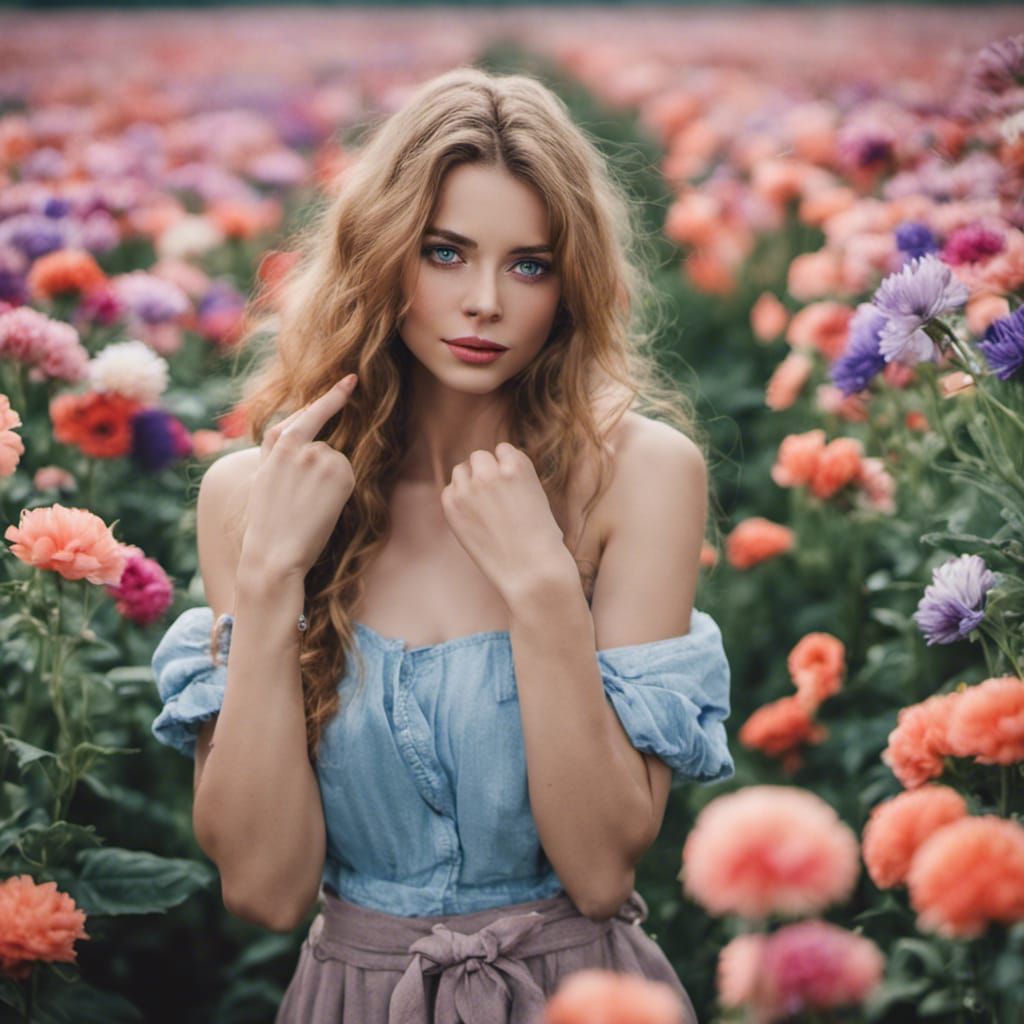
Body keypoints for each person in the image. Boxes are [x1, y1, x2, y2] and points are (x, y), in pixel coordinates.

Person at [149, 66, 734, 1024]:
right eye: (446, 253)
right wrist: (268, 581)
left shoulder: (640, 474)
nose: (486, 303)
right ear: (383, 258)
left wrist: (543, 586)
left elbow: (597, 868)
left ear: (570, 285)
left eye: (530, 265)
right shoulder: (250, 497)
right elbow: (264, 891)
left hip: (577, 997)